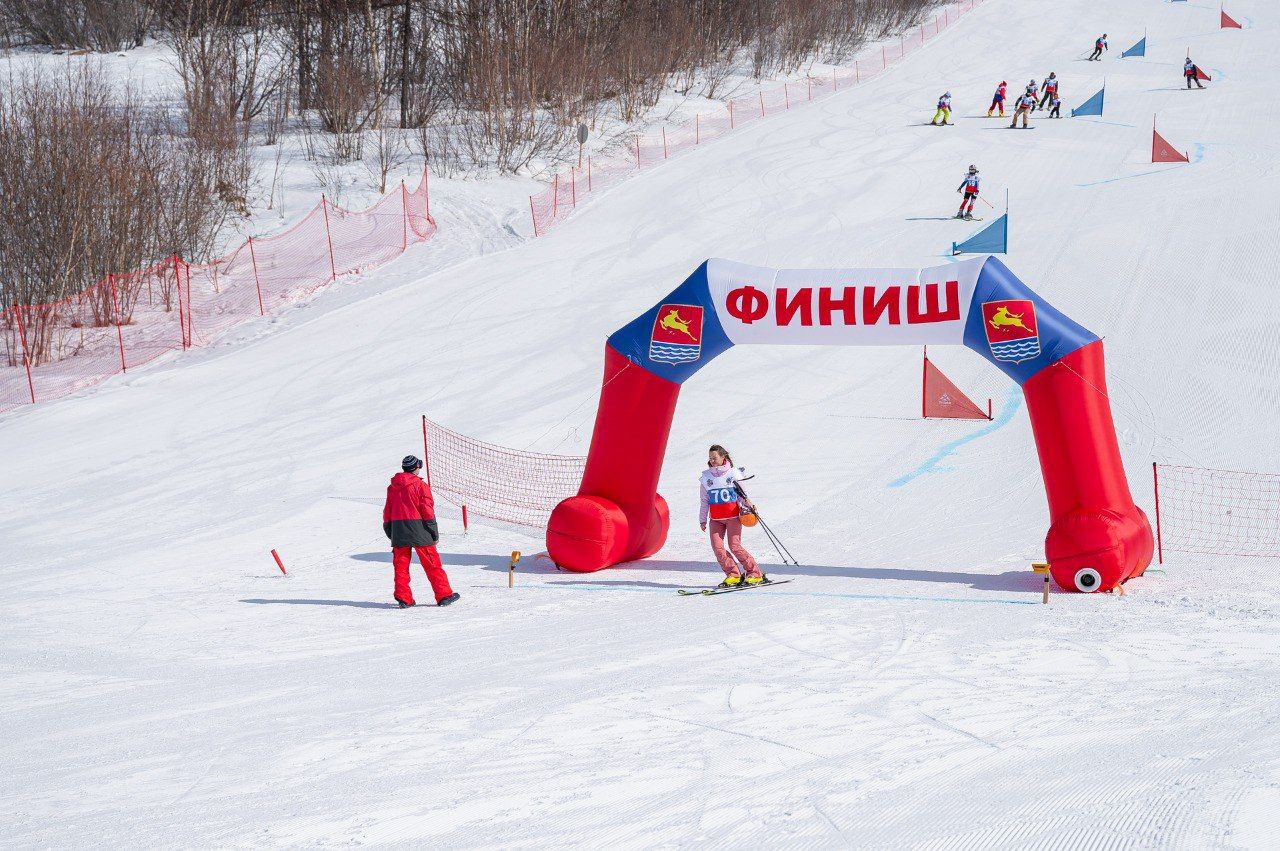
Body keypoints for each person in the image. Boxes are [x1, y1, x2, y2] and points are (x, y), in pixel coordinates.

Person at [382, 455, 458, 608]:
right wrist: (433, 531)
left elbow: (387, 511)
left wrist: (390, 531)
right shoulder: (420, 485)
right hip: (419, 529)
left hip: (398, 529)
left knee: (400, 565)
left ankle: (404, 598)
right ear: (416, 468)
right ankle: (444, 595)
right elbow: (427, 510)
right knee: (432, 563)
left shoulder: (392, 487)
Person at [699, 444, 763, 588]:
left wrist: (750, 506)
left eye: (715, 458)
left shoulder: (733, 474)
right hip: (715, 520)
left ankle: (754, 572)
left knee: (735, 546)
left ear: (723, 457)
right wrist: (702, 519)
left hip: (733, 517)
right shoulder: (706, 477)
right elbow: (704, 501)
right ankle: (733, 575)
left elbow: (742, 495)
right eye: (710, 458)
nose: (712, 461)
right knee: (718, 548)